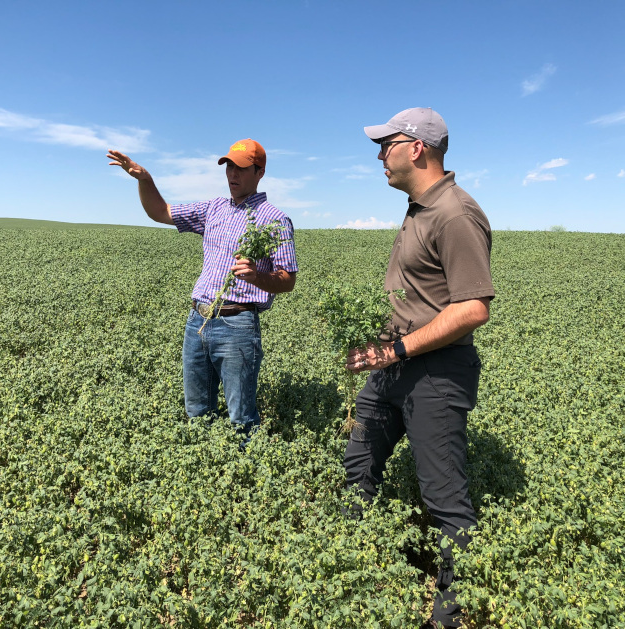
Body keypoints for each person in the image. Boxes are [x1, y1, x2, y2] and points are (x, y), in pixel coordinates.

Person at [343, 108, 494, 628]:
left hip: (434, 376)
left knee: (445, 499)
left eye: (386, 143)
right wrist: (375, 347)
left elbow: (473, 308)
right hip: (392, 367)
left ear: (417, 148)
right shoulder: (417, 209)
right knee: (359, 465)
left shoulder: (454, 213)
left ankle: (450, 616)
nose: (379, 154)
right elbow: (422, 300)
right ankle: (344, 570)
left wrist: (400, 350)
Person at [107, 139, 298, 439]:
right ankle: (205, 459)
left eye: (242, 168)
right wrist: (145, 180)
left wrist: (257, 277)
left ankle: (241, 475)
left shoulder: (275, 220)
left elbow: (288, 279)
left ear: (259, 172)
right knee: (196, 411)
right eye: (230, 166)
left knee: (241, 418)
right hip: (198, 321)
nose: (233, 174)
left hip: (237, 325)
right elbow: (161, 212)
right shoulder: (214, 208)